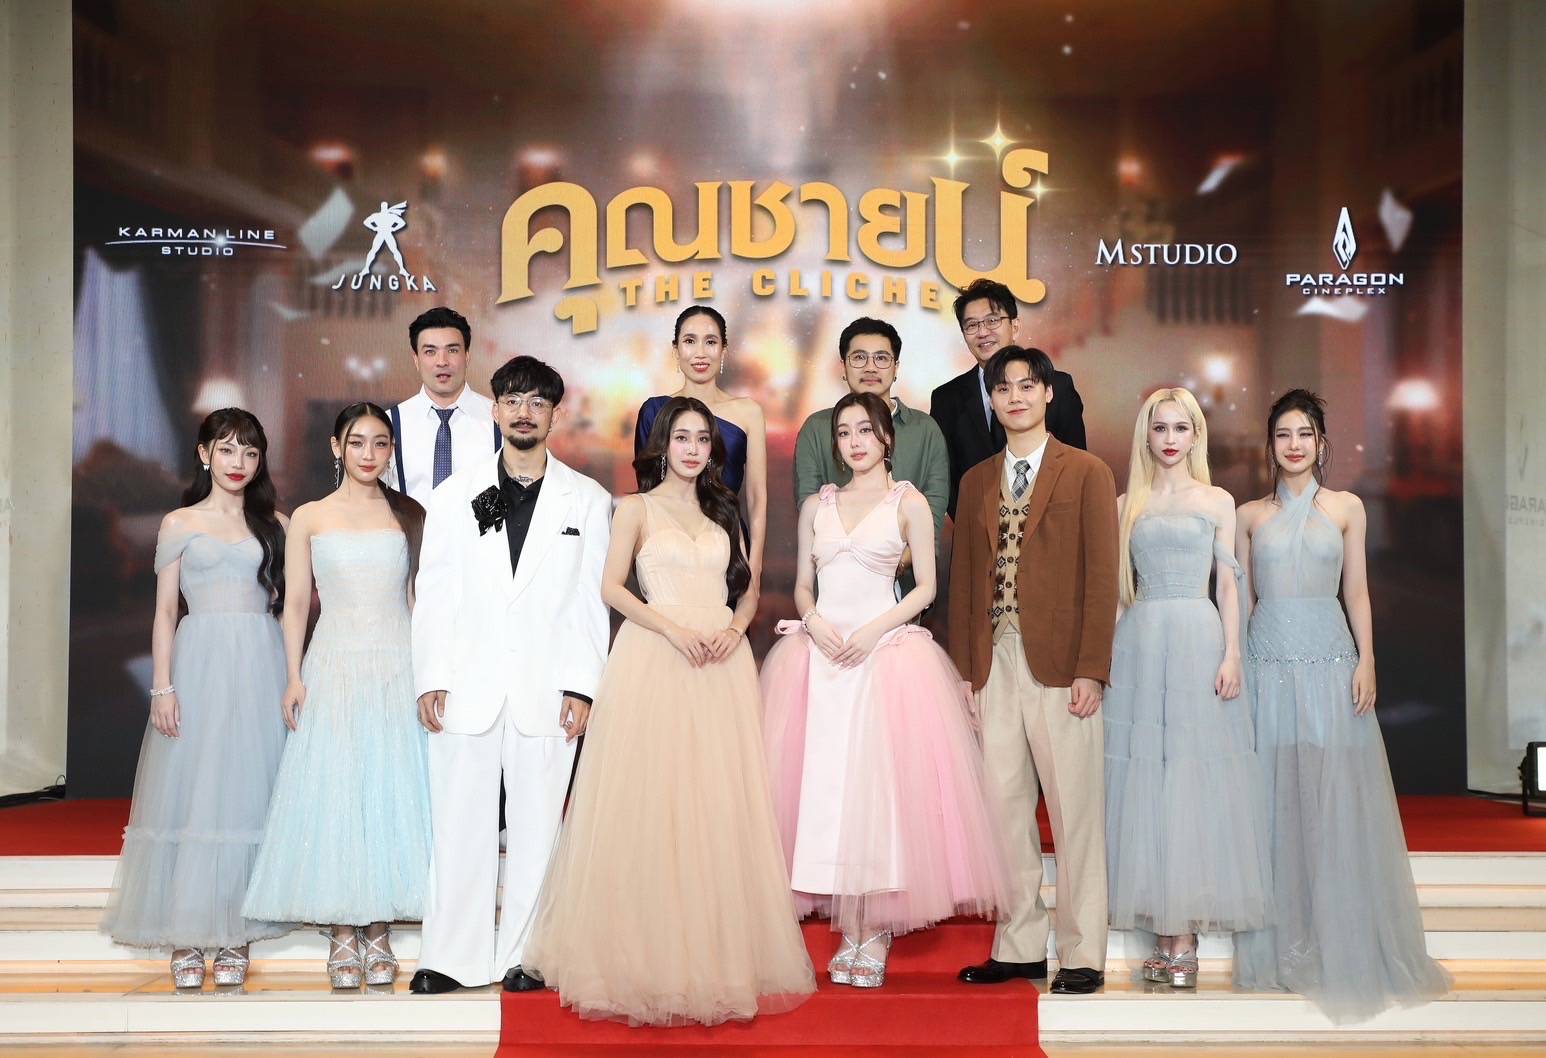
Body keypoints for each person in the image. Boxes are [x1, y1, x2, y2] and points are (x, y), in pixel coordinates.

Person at [523, 397, 815, 1026]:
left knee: (715, 808)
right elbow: (611, 588)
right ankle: (643, 961)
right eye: (682, 438)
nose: (692, 449)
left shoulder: (723, 510)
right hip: (655, 657)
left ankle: (713, 963)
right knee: (650, 805)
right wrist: (673, 628)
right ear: (662, 444)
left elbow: (745, 590)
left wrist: (734, 629)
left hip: (720, 665)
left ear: (713, 450)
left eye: (703, 439)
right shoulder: (635, 508)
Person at [762, 392, 1009, 988]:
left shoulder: (910, 502)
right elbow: (803, 585)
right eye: (844, 432)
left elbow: (925, 588)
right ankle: (846, 921)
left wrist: (872, 632)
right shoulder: (818, 505)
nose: (855, 442)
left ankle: (873, 929)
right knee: (827, 788)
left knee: (881, 792)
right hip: (820, 656)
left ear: (886, 438)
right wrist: (814, 623)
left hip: (885, 656)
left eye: (865, 430)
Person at [1233, 390, 1450, 1022]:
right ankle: (1284, 945)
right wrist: (1235, 662)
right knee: (1277, 802)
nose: (1294, 445)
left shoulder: (1348, 508)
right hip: (1267, 662)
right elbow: (1243, 601)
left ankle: (1340, 940)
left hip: (1331, 661)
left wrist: (1367, 659)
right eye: (1283, 435)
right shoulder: (1248, 516)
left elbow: (1357, 591)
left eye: (1304, 434)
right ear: (1270, 445)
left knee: (1332, 801)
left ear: (1322, 443)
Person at [408, 356, 612, 995]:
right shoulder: (455, 494)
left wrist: (582, 685)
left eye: (537, 403)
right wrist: (431, 676)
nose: (524, 413)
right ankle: (450, 957)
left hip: (547, 689)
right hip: (466, 684)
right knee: (458, 824)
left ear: (555, 415)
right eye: (513, 401)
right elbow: (435, 591)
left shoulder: (588, 499)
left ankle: (528, 956)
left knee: (538, 827)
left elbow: (590, 601)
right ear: (494, 410)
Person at [242, 403, 432, 989]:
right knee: (339, 792)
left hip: (397, 664)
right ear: (336, 448)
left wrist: (430, 674)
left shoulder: (409, 515)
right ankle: (343, 930)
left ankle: (378, 926)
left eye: (380, 443)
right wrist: (293, 675)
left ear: (391, 451)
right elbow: (296, 602)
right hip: (333, 664)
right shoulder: (309, 516)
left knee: (389, 790)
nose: (368, 454)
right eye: (357, 442)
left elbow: (417, 600)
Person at [947, 346, 1118, 996]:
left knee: (1075, 812)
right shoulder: (976, 480)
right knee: (1003, 810)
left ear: (1048, 394)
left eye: (1027, 385)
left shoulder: (1087, 471)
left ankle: (1083, 951)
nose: (1015, 396)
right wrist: (966, 672)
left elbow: (1103, 578)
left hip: (1063, 666)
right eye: (1004, 388)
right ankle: (1019, 945)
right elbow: (966, 581)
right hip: (994, 663)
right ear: (991, 400)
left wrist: (1092, 668)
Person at [100, 409, 290, 989]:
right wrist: (162, 685)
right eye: (227, 449)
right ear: (204, 454)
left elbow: (290, 609)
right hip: (199, 659)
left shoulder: (276, 524)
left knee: (244, 791)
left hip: (260, 661)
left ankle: (234, 932)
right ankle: (186, 934)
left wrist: (295, 677)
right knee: (193, 792)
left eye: (250, 453)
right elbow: (164, 611)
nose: (238, 463)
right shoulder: (179, 522)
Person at [1104, 388, 1270, 989]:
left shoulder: (1219, 500)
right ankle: (1162, 931)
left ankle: (1185, 937)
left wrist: (1233, 653)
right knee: (1147, 778)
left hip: (1199, 639)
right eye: (1160, 428)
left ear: (1196, 434)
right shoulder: (1126, 503)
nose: (1170, 438)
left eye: (1181, 427)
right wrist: (1106, 658)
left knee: (1192, 778)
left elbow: (1228, 586)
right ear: (1145, 436)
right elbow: (1119, 591)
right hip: (1140, 642)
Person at [792, 317, 950, 598]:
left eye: (881, 358)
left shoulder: (925, 429)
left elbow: (934, 510)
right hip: (833, 586)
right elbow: (808, 504)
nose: (870, 367)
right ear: (843, 367)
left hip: (904, 589)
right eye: (859, 358)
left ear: (896, 367)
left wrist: (891, 564)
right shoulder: (816, 428)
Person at [929, 278, 1087, 518]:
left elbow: (1077, 467)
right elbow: (945, 478)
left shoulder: (1057, 386)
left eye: (992, 321)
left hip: (1050, 525)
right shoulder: (946, 399)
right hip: (977, 527)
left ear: (1015, 326)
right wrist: (974, 523)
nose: (983, 332)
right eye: (972, 325)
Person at [634, 306, 768, 583]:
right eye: (689, 341)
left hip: (727, 547)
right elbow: (648, 492)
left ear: (723, 350)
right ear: (676, 350)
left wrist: (754, 569)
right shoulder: (655, 411)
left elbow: (757, 497)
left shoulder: (748, 412)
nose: (700, 353)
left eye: (710, 342)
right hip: (668, 551)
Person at [388, 306, 500, 508]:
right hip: (412, 529)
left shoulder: (499, 419)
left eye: (452, 350)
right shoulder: (390, 423)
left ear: (467, 356)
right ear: (416, 360)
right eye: (430, 352)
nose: (442, 361)